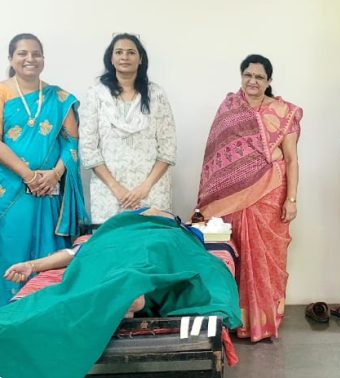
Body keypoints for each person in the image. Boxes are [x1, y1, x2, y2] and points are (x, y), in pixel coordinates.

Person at [0, 209, 241, 378]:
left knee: (152, 252)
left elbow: (191, 256)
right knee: (108, 266)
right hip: (114, 249)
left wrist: (176, 229)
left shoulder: (175, 230)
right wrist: (32, 265)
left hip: (158, 244)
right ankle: (128, 290)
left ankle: (127, 288)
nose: (153, 210)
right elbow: (75, 253)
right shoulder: (114, 228)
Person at [197, 54, 302, 342]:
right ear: (241, 76)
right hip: (231, 198)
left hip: (270, 195)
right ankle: (234, 320)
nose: (252, 81)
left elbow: (291, 159)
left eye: (259, 77)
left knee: (266, 257)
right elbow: (215, 155)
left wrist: (291, 199)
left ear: (269, 81)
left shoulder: (283, 112)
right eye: (248, 75)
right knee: (235, 254)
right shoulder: (229, 108)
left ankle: (263, 323)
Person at [0, 33, 89, 304]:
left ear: (43, 59)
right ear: (10, 59)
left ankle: (45, 314)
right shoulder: (2, 93)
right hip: (11, 190)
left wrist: (54, 175)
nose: (30, 59)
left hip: (49, 192)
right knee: (10, 249)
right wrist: (28, 176)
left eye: (36, 53)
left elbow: (72, 142)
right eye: (22, 53)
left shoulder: (59, 98)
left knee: (48, 255)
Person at [79, 33, 176, 223]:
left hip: (151, 190)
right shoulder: (96, 94)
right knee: (113, 240)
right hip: (109, 192)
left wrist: (145, 187)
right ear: (111, 59)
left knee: (151, 239)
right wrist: (117, 189)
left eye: (131, 52)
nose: (125, 57)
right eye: (119, 52)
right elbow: (88, 148)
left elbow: (168, 147)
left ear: (140, 59)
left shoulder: (156, 94)